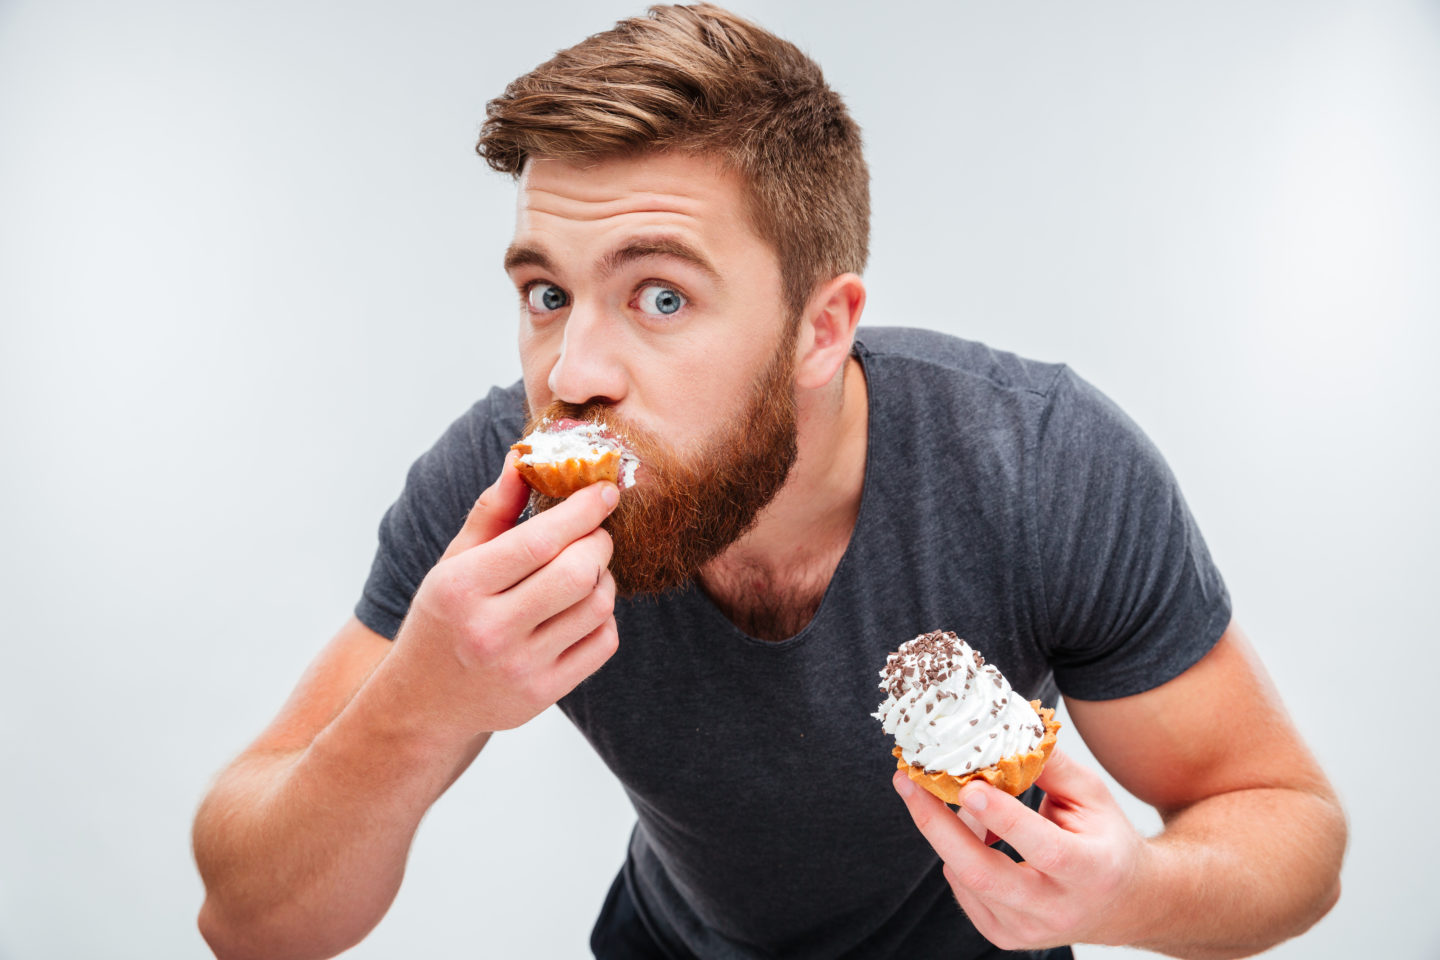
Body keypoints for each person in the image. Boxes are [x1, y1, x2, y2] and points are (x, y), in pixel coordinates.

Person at [191, 5, 1346, 958]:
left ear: (820, 328)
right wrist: (419, 703)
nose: (573, 374)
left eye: (660, 296)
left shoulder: (1039, 466)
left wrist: (1127, 893)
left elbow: (1291, 830)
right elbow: (248, 920)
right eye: (547, 293)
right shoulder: (495, 493)